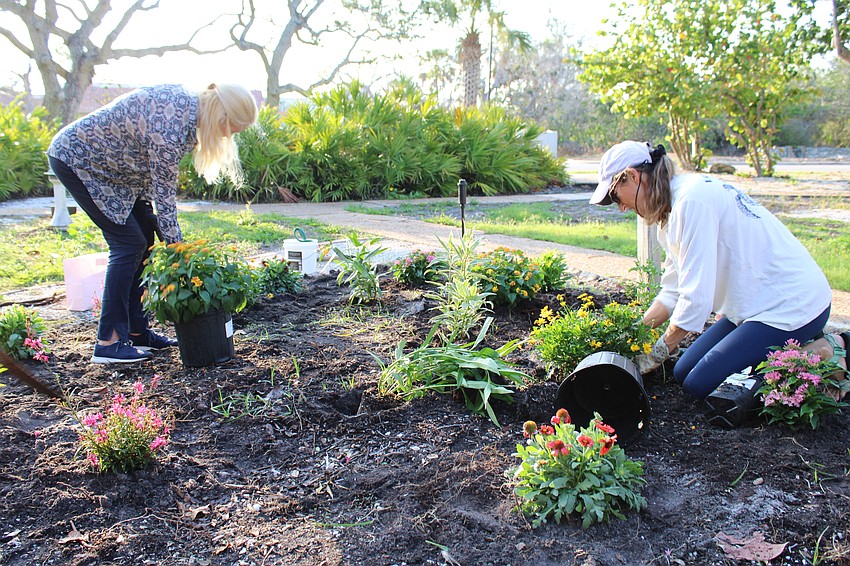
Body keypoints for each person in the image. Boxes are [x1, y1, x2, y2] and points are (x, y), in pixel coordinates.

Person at [589, 140, 848, 403]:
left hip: (792, 306)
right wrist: (632, 335)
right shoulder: (671, 210)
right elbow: (672, 292)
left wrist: (657, 352)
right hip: (754, 307)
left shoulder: (691, 202)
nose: (621, 207)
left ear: (632, 176)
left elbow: (695, 300)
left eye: (615, 197)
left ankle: (824, 350)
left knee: (701, 384)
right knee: (682, 371)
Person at [48, 83, 259, 363]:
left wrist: (152, 220)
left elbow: (146, 168)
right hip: (79, 159)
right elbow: (164, 191)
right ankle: (108, 343)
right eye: (231, 129)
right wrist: (180, 253)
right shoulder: (173, 119)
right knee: (128, 244)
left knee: (143, 238)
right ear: (221, 116)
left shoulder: (188, 114)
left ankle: (138, 332)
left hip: (114, 172)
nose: (228, 136)